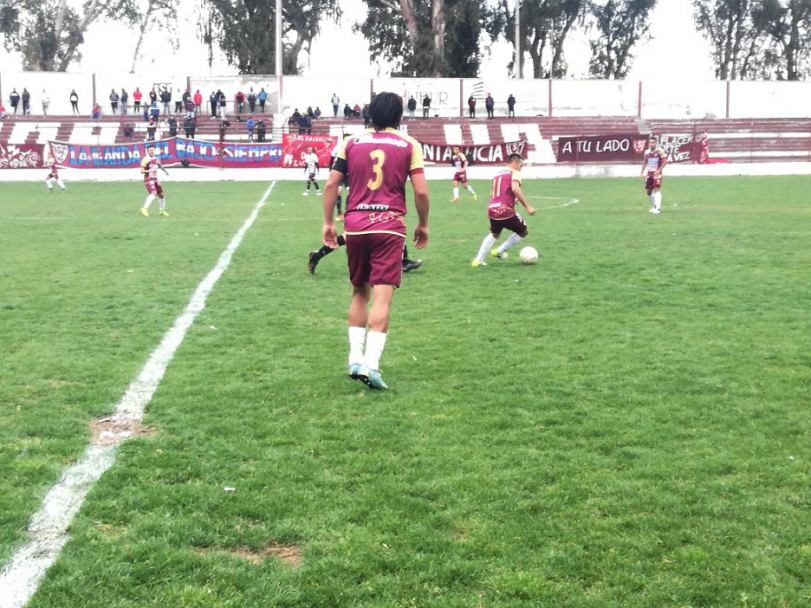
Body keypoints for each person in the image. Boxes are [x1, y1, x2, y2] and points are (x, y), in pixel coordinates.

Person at [322, 91, 430, 390]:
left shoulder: (351, 142)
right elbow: (420, 191)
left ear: (369, 114)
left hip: (356, 226)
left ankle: (354, 359)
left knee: (359, 293)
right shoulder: (410, 144)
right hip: (389, 226)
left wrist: (329, 223)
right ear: (399, 116)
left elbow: (332, 182)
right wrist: (422, 224)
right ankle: (371, 363)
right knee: (383, 297)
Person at [471, 153, 535, 267]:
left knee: (494, 233)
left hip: (492, 209)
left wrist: (513, 199)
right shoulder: (514, 173)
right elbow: (515, 188)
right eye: (521, 165)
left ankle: (478, 260)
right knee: (523, 231)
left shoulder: (498, 174)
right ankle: (498, 251)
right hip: (505, 210)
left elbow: (498, 193)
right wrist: (527, 206)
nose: (521, 169)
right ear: (514, 163)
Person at [140, 143, 169, 217]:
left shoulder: (156, 158)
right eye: (150, 150)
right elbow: (142, 171)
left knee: (161, 195)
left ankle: (162, 211)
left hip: (155, 179)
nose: (151, 151)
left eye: (153, 150)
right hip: (148, 179)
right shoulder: (145, 159)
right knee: (153, 193)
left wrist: (165, 171)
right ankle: (144, 208)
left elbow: (159, 165)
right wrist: (150, 171)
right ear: (147, 151)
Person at [640, 135, 667, 214]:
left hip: (657, 173)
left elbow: (665, 161)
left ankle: (658, 209)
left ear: (656, 143)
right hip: (649, 173)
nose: (651, 144)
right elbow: (645, 162)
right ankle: (655, 206)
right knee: (648, 191)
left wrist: (659, 170)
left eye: (653, 142)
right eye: (650, 142)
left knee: (656, 188)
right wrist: (641, 173)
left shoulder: (659, 151)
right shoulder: (647, 152)